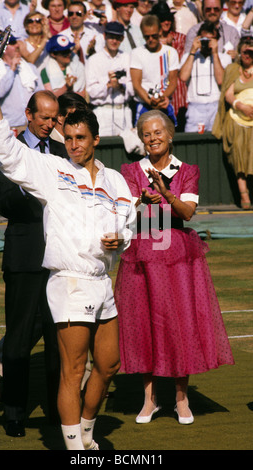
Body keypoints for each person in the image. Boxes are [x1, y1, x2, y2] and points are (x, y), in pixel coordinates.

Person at [0, 65, 136, 450]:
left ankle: (85, 430)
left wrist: (122, 241)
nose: (73, 144)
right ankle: (74, 448)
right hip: (68, 280)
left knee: (109, 364)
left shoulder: (116, 180)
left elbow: (129, 226)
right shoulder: (53, 170)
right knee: (70, 369)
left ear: (96, 139)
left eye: (80, 137)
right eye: (68, 137)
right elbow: (6, 151)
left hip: (103, 282)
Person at [114, 109, 235, 426]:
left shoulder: (188, 170)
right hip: (142, 254)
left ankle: (182, 399)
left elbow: (187, 212)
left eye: (157, 132)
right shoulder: (131, 170)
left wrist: (165, 193)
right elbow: (128, 209)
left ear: (169, 135)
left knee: (180, 325)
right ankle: (149, 399)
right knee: (143, 325)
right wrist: (141, 200)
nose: (152, 138)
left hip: (178, 256)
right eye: (146, 134)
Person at [0, 91, 68, 437]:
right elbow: (8, 202)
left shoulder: (63, 151)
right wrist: (51, 203)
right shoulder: (9, 150)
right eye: (44, 118)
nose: (49, 125)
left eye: (54, 119)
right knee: (19, 340)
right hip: (23, 258)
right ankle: (14, 414)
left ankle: (58, 410)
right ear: (28, 114)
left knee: (57, 340)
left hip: (58, 259)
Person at [212, 35, 253, 209]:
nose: (248, 54)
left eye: (251, 51)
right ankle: (244, 195)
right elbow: (228, 95)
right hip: (237, 121)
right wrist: (241, 106)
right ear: (240, 52)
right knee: (238, 156)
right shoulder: (232, 69)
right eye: (245, 51)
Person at [180, 20, 232, 132]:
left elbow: (221, 81)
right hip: (195, 107)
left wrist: (215, 53)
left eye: (210, 40)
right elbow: (183, 77)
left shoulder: (224, 58)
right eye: (204, 39)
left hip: (216, 106)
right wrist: (193, 50)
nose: (206, 43)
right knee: (193, 142)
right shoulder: (188, 57)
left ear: (217, 40)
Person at [86, 21, 134, 136]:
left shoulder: (127, 57)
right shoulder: (94, 60)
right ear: (105, 36)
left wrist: (121, 87)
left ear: (122, 39)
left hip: (123, 110)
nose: (114, 41)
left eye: (117, 38)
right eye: (111, 37)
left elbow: (133, 88)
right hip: (102, 111)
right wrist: (108, 85)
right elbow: (91, 91)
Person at [130, 14, 179, 126]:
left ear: (160, 31)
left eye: (154, 36)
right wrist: (150, 102)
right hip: (144, 104)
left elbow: (173, 81)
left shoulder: (171, 52)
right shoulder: (137, 53)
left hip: (164, 104)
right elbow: (136, 84)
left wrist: (162, 98)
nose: (151, 40)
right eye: (147, 37)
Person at [0, 34, 44, 132]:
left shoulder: (29, 68)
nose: (17, 45)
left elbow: (40, 94)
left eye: (16, 42)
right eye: (12, 43)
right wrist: (12, 69)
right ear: (3, 49)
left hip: (32, 126)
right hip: (11, 127)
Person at [151, 2, 188, 130]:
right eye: (162, 19)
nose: (166, 22)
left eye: (168, 18)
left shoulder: (181, 38)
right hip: (158, 94)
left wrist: (168, 48)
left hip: (179, 94)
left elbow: (180, 66)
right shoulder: (150, 41)